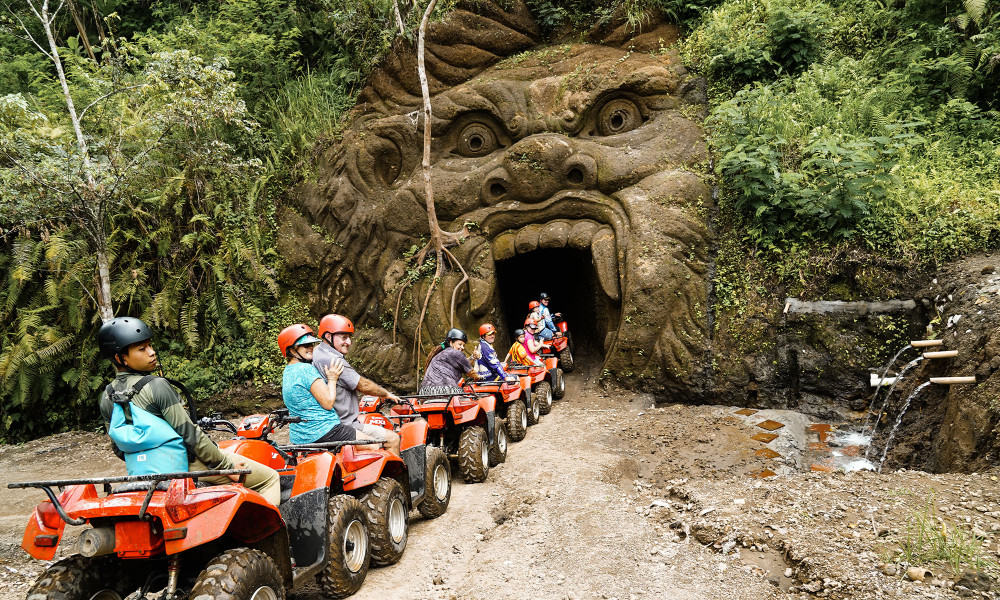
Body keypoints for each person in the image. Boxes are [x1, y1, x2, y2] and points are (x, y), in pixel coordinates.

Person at [97, 317, 280, 506]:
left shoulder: (106, 396)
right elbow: (190, 433)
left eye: (150, 346)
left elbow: (118, 448)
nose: (152, 353)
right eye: (142, 349)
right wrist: (226, 467)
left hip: (140, 471)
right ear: (120, 358)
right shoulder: (157, 386)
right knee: (270, 479)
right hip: (186, 465)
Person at [313, 314, 401, 455]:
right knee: (393, 438)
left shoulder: (315, 354)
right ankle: (389, 477)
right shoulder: (334, 360)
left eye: (349, 337)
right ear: (328, 336)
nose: (348, 342)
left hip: (324, 425)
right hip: (343, 425)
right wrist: (386, 394)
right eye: (343, 337)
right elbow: (362, 385)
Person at [279, 323, 359, 447]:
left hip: (300, 436)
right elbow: (328, 403)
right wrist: (332, 379)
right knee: (374, 445)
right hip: (325, 431)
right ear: (291, 350)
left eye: (311, 344)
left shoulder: (288, 371)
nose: (310, 347)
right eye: (305, 345)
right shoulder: (305, 369)